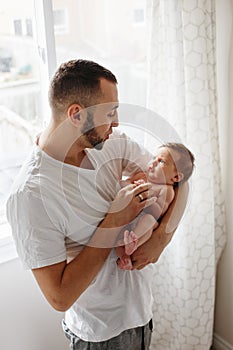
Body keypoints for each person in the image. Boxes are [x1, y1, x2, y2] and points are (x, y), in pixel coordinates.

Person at [6, 59, 189, 350]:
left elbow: (178, 178)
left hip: (142, 313)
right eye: (110, 113)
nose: (116, 123)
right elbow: (59, 297)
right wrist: (114, 221)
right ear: (77, 114)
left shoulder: (111, 143)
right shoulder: (32, 194)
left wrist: (162, 238)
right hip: (100, 334)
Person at [116, 143, 195, 270]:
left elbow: (158, 211)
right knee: (116, 230)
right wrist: (131, 187)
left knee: (149, 221)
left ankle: (131, 246)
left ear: (175, 177)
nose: (152, 163)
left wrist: (147, 197)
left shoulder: (166, 190)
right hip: (129, 217)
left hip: (144, 223)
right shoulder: (142, 176)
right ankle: (123, 256)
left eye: (161, 162)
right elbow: (122, 184)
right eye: (154, 158)